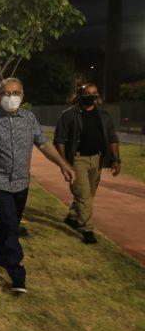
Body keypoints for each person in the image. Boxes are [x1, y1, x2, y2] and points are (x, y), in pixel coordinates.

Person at [0, 78, 75, 294]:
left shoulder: (29, 119)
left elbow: (43, 144)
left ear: (23, 96)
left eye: (15, 93)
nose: (11, 97)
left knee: (10, 223)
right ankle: (17, 273)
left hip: (21, 182)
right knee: (10, 224)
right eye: (6, 93)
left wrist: (62, 164)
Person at [54, 83, 120, 244]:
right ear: (80, 94)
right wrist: (64, 163)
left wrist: (116, 159)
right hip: (77, 160)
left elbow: (112, 138)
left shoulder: (104, 115)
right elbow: (59, 140)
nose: (91, 96)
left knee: (89, 195)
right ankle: (87, 230)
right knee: (84, 197)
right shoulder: (68, 115)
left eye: (94, 93)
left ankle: (73, 217)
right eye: (87, 93)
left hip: (96, 159)